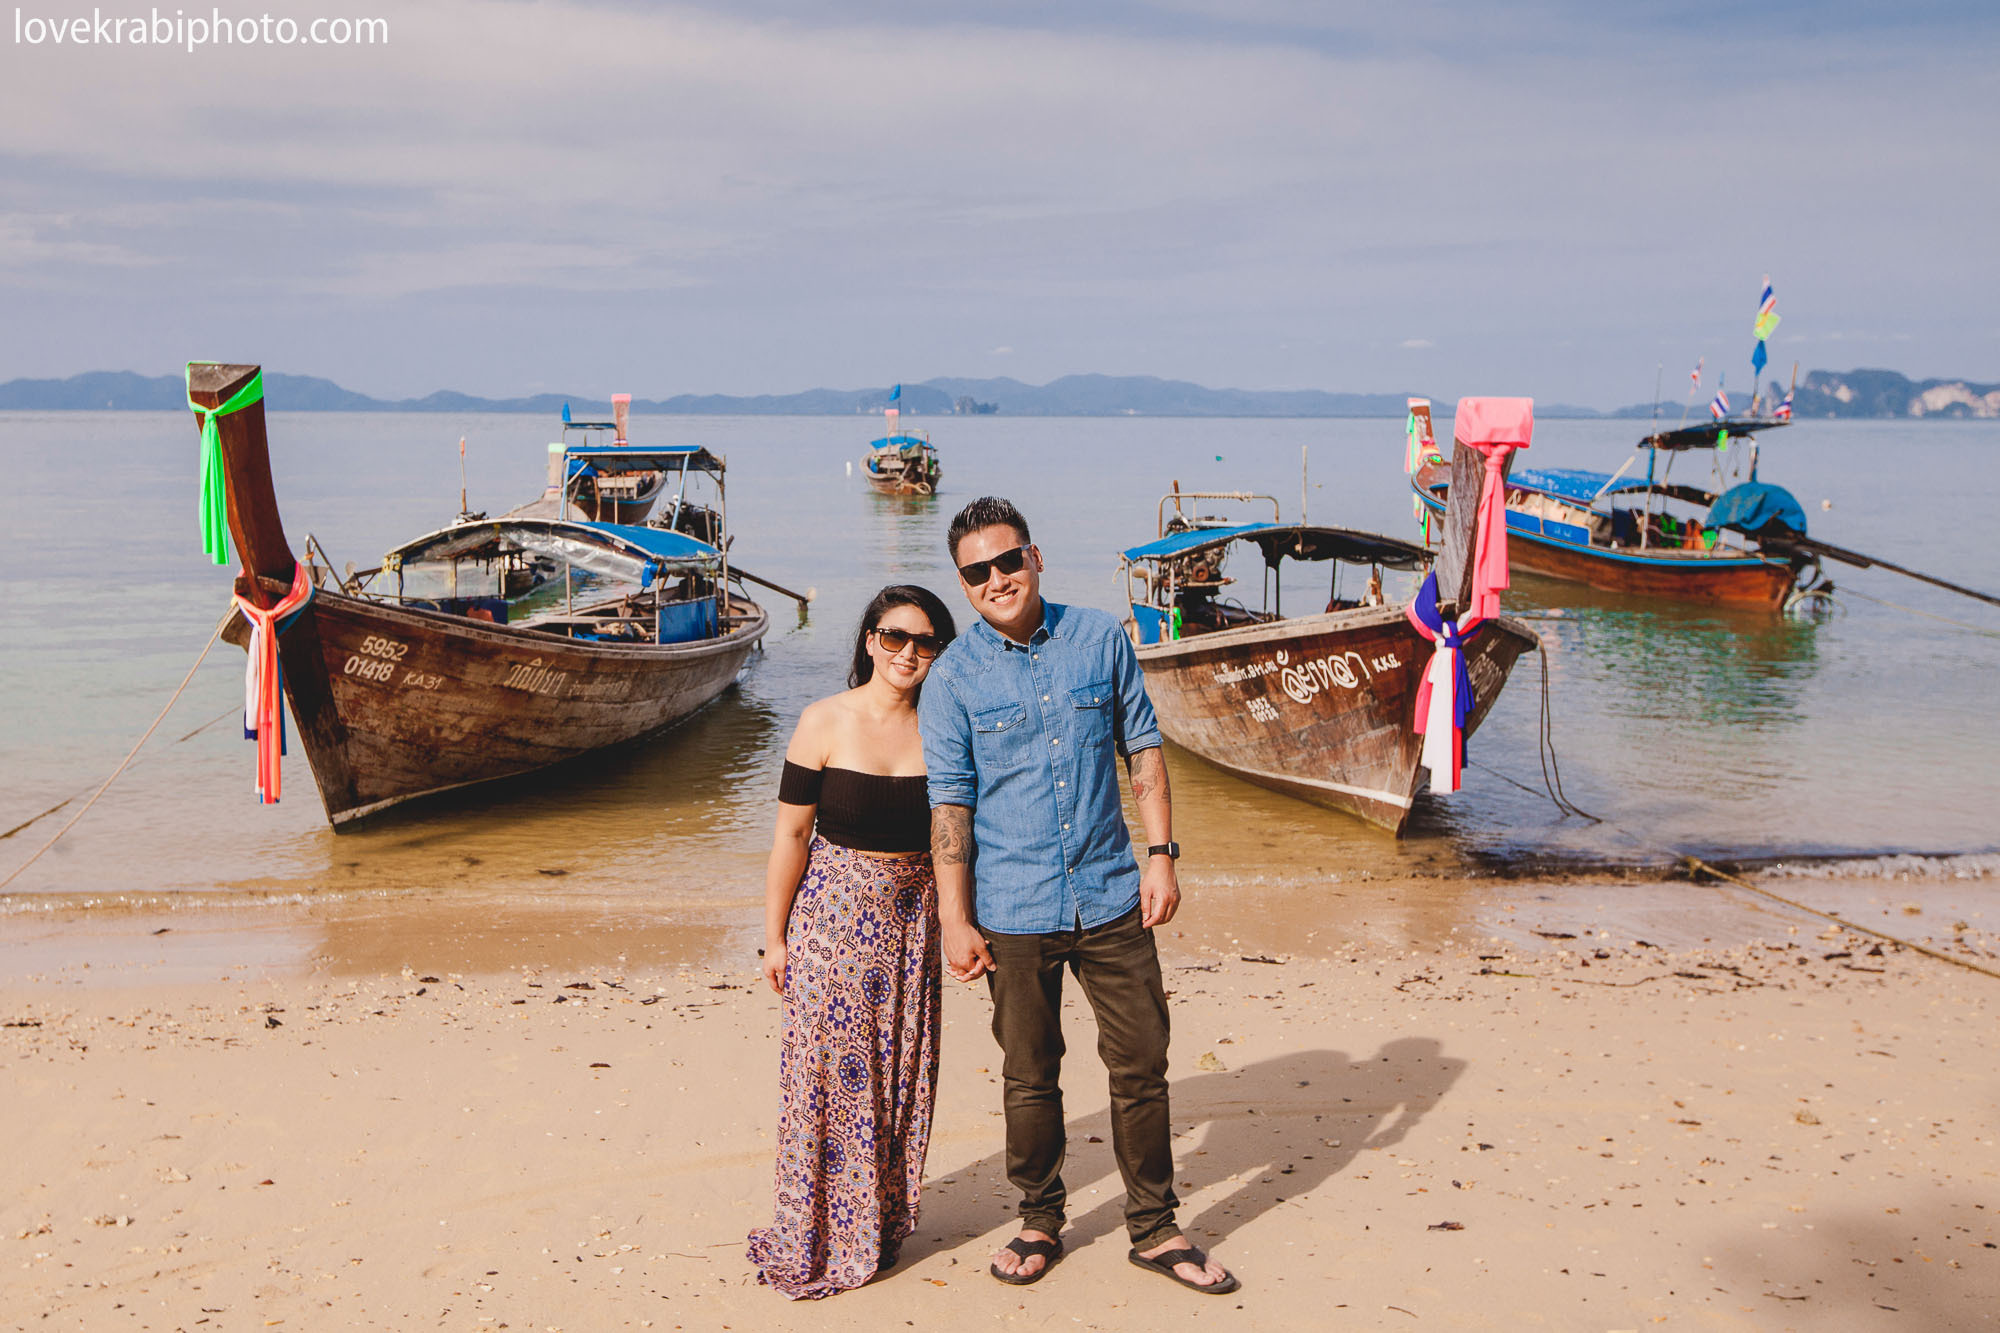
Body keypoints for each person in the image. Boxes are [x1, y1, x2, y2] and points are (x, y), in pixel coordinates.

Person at [919, 497, 1238, 1295]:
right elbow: (950, 806)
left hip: (1110, 893)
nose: (997, 578)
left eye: (1007, 560)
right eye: (977, 571)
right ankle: (1039, 1217)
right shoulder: (953, 676)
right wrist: (955, 918)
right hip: (1012, 906)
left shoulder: (1100, 638)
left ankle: (1156, 1228)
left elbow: (1144, 750)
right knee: (1030, 1072)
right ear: (962, 583)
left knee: (1143, 1064)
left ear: (1035, 556)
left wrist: (1161, 855)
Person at [746, 585, 957, 1299]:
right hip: (832, 925)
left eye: (925, 642)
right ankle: (819, 1230)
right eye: (895, 636)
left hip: (911, 928)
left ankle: (878, 1224)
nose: (908, 652)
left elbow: (960, 839)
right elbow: (791, 834)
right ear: (869, 638)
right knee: (829, 1083)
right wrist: (773, 936)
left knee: (900, 1076)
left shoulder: (947, 727)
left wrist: (966, 922)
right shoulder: (822, 720)